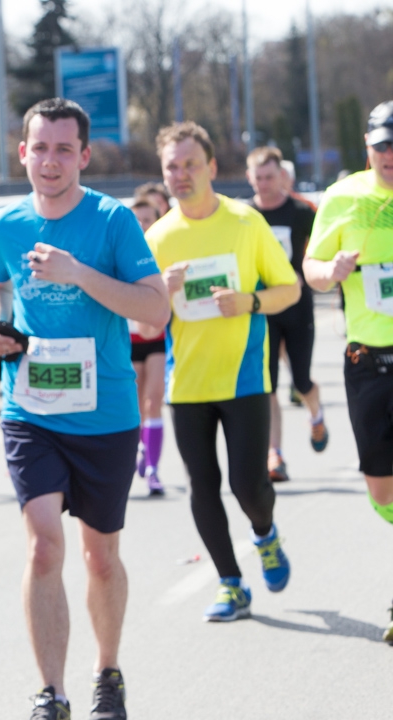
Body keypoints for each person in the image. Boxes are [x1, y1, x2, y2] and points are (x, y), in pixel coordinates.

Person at [0, 99, 169, 720]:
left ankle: (107, 672)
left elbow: (154, 310)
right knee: (42, 544)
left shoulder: (113, 222)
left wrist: (76, 272)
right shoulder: (6, 225)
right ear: (24, 152)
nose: (51, 160)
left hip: (106, 413)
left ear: (84, 156)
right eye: (40, 148)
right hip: (30, 407)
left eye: (65, 149)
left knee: (99, 556)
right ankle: (50, 695)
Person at [145, 122, 300, 623]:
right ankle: (232, 583)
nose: (181, 174)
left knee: (249, 486)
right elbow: (139, 320)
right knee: (202, 487)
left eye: (190, 164)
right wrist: (159, 293)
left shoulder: (245, 223)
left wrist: (249, 301)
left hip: (244, 378)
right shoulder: (158, 236)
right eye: (172, 166)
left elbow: (290, 288)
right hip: (186, 383)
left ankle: (265, 532)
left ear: (211, 167)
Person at [302, 99, 393, 643]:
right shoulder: (343, 197)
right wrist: (329, 272)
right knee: (380, 488)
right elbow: (310, 269)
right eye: (382, 146)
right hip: (367, 361)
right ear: (368, 148)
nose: (391, 156)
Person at [244, 146, 326, 482]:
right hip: (263, 307)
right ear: (250, 179)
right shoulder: (245, 215)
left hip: (297, 305)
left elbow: (321, 249)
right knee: (268, 385)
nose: (264, 183)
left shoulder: (302, 211)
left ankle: (316, 414)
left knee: (302, 379)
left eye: (269, 176)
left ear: (281, 176)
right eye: (258, 177)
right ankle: (274, 455)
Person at [128, 198, 168, 496]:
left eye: (148, 219)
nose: (143, 225)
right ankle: (140, 448)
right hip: (127, 341)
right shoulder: (120, 253)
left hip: (156, 338)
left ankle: (153, 468)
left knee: (154, 399)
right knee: (135, 405)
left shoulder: (162, 254)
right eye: (137, 219)